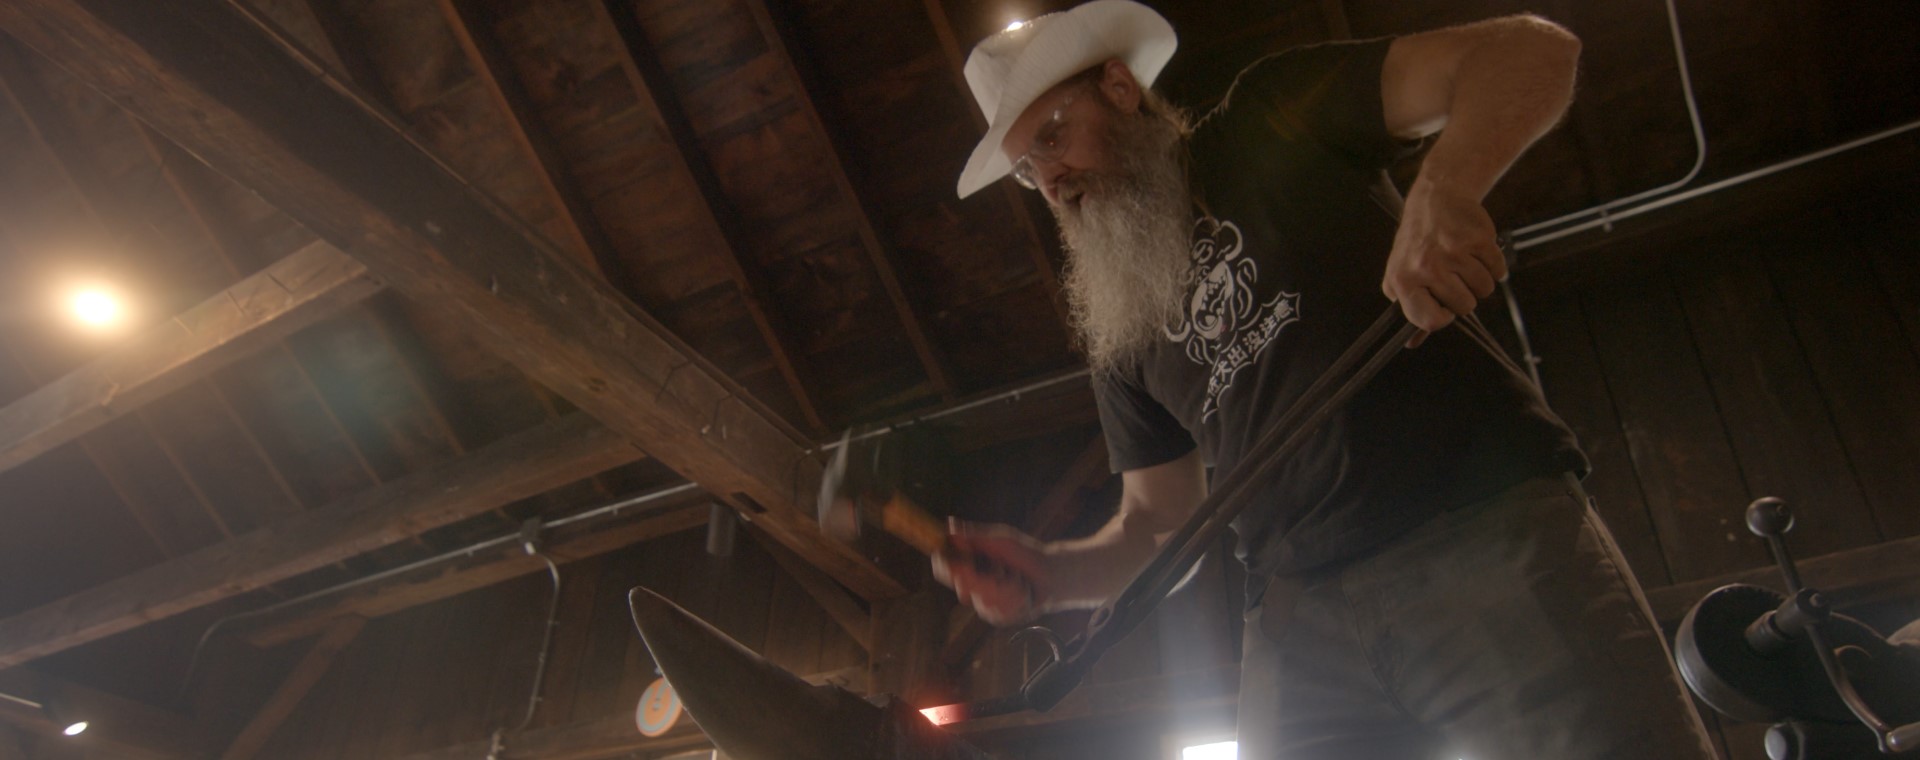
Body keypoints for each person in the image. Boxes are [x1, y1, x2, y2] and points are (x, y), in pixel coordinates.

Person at [933, 2, 1721, 758]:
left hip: (1473, 532)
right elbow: (1158, 525)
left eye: (1055, 134)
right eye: (1028, 169)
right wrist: (1055, 575)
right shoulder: (1119, 331)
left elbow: (1535, 51)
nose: (1052, 178)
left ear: (1118, 87)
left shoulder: (1270, 118)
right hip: (1292, 618)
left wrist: (1444, 189)